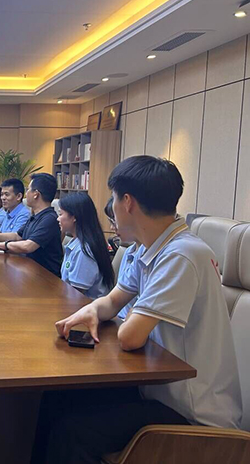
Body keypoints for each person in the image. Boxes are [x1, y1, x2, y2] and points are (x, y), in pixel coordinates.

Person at [35, 156, 242, 464]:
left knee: (72, 432)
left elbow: (130, 337)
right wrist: (92, 311)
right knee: (56, 397)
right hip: (157, 391)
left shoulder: (182, 255)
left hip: (192, 414)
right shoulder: (148, 248)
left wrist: (123, 314)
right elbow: (113, 300)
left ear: (128, 202)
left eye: (114, 199)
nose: (112, 209)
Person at [0, 174, 63, 277]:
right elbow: (17, 235)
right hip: (29, 271)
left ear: (36, 194)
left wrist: (4, 245)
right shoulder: (35, 216)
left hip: (44, 277)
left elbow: (28, 246)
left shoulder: (49, 219)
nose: (26, 194)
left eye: (28, 190)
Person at [57, 192, 115, 299]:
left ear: (74, 217)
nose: (58, 219)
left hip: (83, 306)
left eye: (60, 214)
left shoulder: (84, 250)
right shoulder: (76, 242)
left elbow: (76, 295)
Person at [104, 197, 143, 320]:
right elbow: (114, 300)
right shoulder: (128, 252)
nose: (112, 227)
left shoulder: (150, 255)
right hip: (119, 319)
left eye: (114, 221)